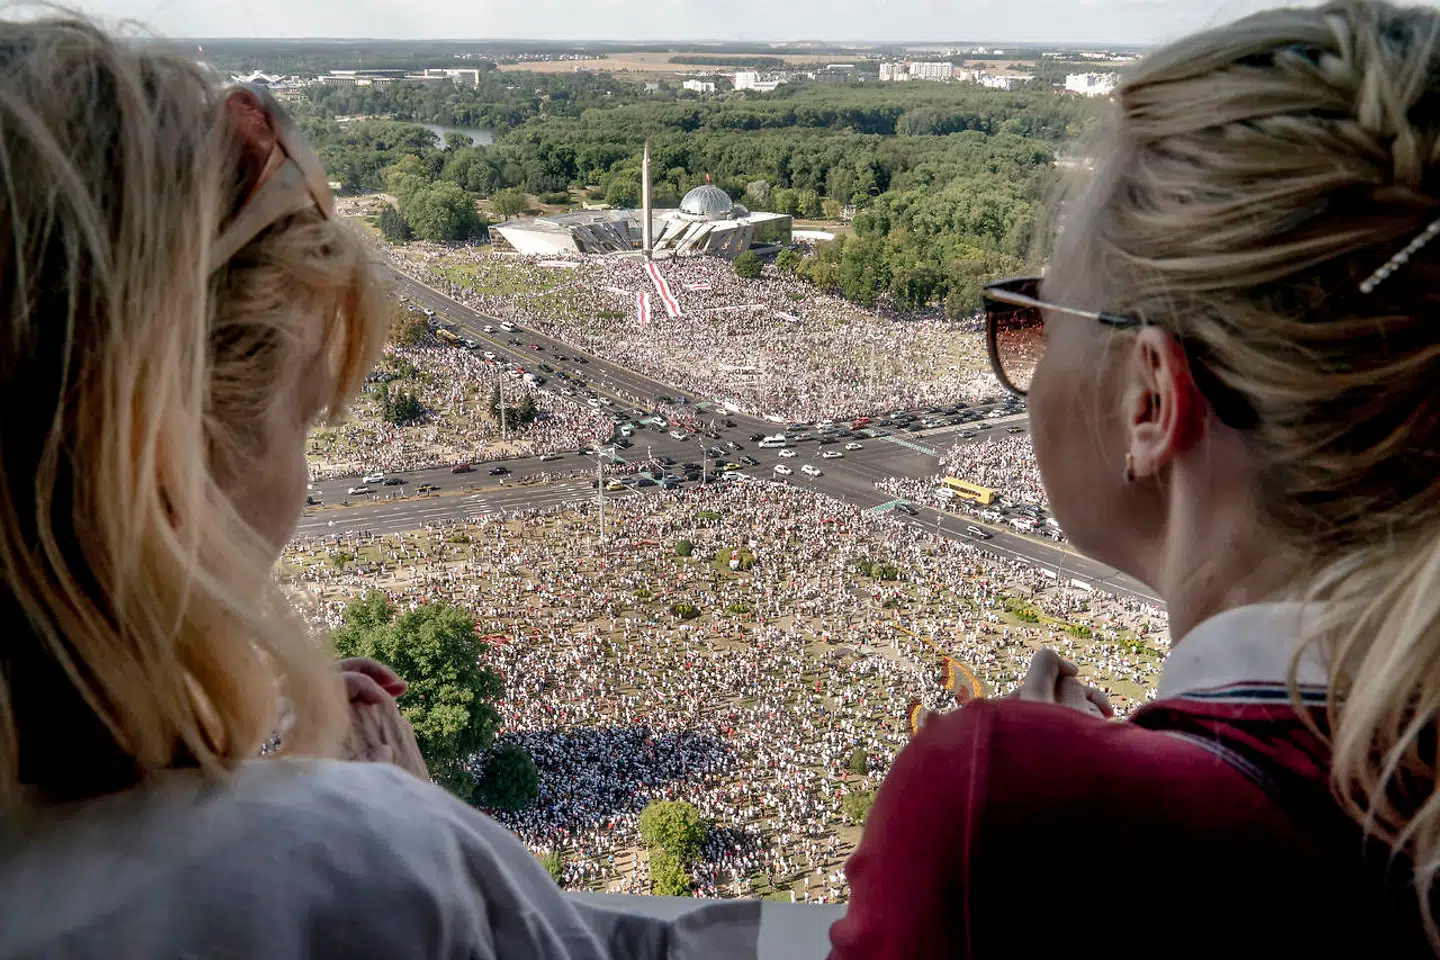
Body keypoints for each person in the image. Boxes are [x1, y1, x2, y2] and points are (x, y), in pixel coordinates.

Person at [0, 17, 756, 958]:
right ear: (162, 469)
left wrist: (268, 772)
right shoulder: (366, 870)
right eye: (303, 417)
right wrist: (394, 820)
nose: (305, 476)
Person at [830, 1, 1440, 956]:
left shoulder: (1009, 808)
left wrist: (1043, 776)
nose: (1022, 354)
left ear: (1152, 399)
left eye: (1030, 321)